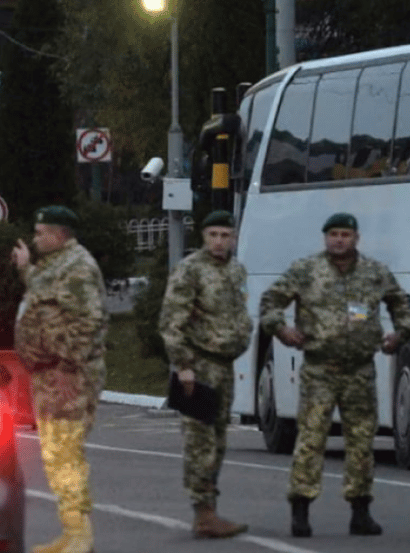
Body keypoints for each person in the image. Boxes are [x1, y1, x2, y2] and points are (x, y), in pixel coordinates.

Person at [259, 212, 410, 538]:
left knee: (361, 444)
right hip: (319, 370)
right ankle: (300, 509)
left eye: (345, 234)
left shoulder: (374, 272)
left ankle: (361, 511)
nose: (339, 240)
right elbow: (270, 300)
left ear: (356, 238)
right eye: (333, 234)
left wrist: (400, 334)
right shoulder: (306, 270)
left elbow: (401, 302)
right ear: (325, 238)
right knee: (311, 440)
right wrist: (282, 330)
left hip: (359, 371)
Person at [12, 205, 108, 553]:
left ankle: (81, 534)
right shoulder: (58, 266)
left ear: (58, 234)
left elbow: (87, 321)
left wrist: (68, 369)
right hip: (50, 374)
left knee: (66, 451)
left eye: (40, 233)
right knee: (56, 453)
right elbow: (46, 296)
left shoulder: (78, 267)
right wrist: (26, 269)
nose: (36, 239)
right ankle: (70, 530)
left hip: (68, 375)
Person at [158, 210, 252, 539]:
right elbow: (171, 321)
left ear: (234, 238)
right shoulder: (190, 271)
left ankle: (210, 506)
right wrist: (183, 365)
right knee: (200, 442)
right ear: (203, 236)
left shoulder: (236, 270)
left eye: (225, 235)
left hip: (224, 366)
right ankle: (203, 511)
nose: (218, 241)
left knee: (219, 440)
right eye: (212, 234)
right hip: (198, 366)